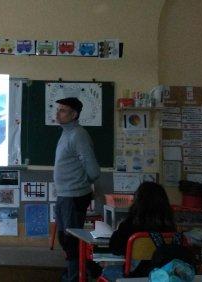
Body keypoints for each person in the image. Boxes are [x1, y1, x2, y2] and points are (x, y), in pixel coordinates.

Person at [53, 97, 101, 281]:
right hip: (65, 194)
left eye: (63, 110)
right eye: (58, 109)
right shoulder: (66, 133)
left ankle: (75, 276)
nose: (58, 113)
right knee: (65, 239)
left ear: (74, 115)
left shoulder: (78, 135)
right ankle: (85, 268)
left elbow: (93, 171)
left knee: (71, 242)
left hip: (74, 195)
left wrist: (81, 184)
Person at [102, 182, 176, 281]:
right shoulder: (170, 226)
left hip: (135, 275)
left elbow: (115, 248)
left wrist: (118, 230)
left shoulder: (131, 224)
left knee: (107, 271)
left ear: (138, 201)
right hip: (163, 275)